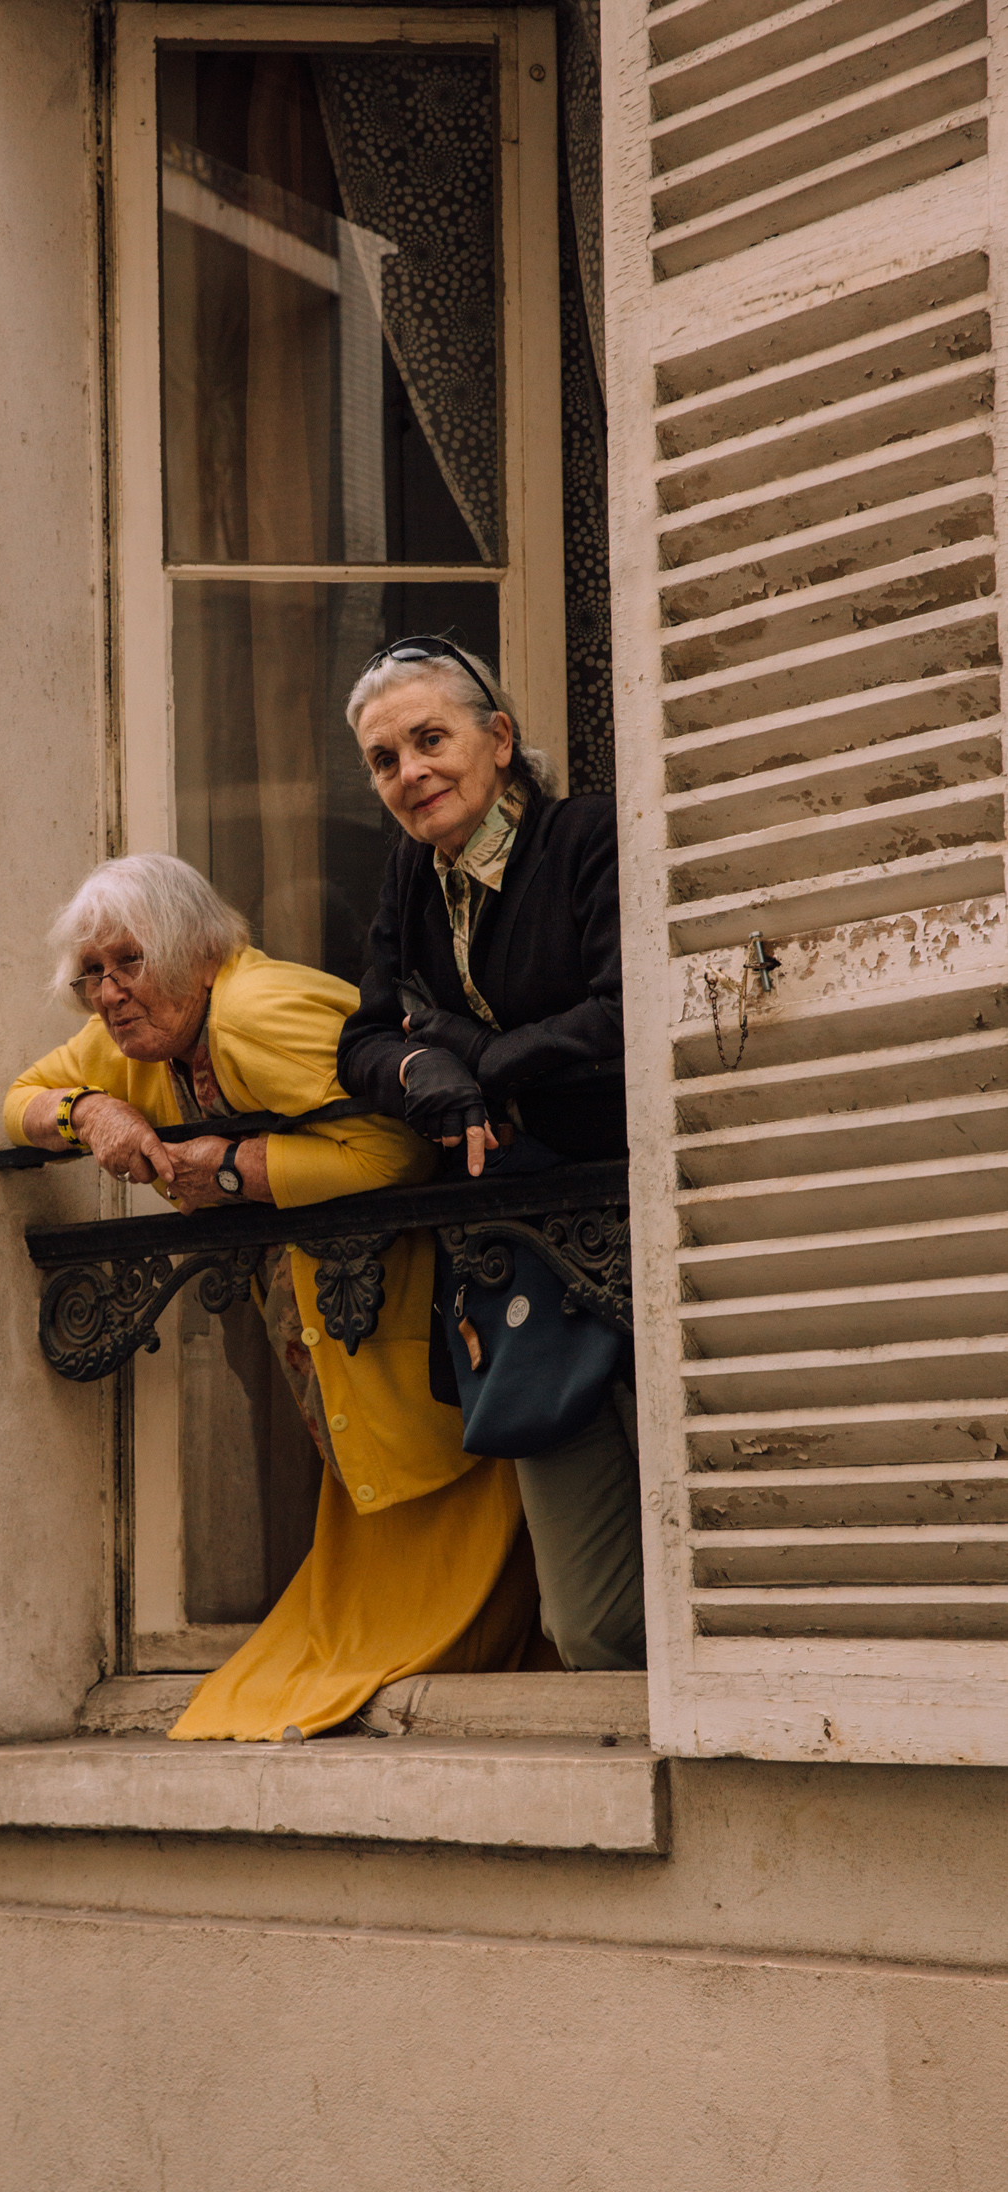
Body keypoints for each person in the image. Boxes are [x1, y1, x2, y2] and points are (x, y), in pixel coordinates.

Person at [4, 852, 559, 1741]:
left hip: (418, 1311)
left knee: (437, 1511)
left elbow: (403, 1147)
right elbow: (20, 1100)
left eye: (128, 963)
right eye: (90, 975)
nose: (107, 993)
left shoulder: (256, 1012)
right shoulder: (134, 1040)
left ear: (193, 951)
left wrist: (229, 1169)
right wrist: (94, 1114)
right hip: (332, 1325)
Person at [335, 634, 645, 1672]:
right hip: (525, 1271)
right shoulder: (410, 879)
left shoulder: (589, 839)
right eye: (384, 759)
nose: (408, 773)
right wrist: (431, 1076)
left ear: (499, 738)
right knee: (591, 1624)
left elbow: (624, 1014)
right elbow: (366, 1039)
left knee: (726, 1571)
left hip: (650, 1241)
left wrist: (476, 1054)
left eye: (429, 739)